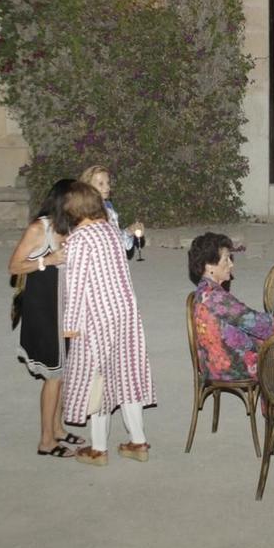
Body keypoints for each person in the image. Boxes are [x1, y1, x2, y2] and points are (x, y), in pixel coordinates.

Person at [58, 181, 154, 466]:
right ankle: (138, 442)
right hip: (125, 312)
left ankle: (98, 449)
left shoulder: (79, 239)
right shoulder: (111, 230)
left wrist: (70, 325)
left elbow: (75, 288)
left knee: (97, 380)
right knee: (127, 375)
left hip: (96, 318)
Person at [191, 231, 274, 382]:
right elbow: (254, 321)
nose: (231, 264)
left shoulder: (204, 289)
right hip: (225, 365)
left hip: (211, 359)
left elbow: (242, 319)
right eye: (226, 260)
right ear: (210, 266)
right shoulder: (216, 298)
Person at [11, 179, 77, 457]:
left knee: (64, 373)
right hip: (43, 311)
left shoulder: (71, 227)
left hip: (64, 309)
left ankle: (59, 428)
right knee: (54, 376)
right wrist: (46, 260)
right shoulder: (39, 228)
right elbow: (13, 266)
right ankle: (46, 440)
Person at [80, 165, 146, 258]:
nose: (107, 188)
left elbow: (118, 241)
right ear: (87, 187)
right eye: (101, 184)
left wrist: (130, 231)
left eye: (108, 183)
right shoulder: (81, 212)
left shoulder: (108, 208)